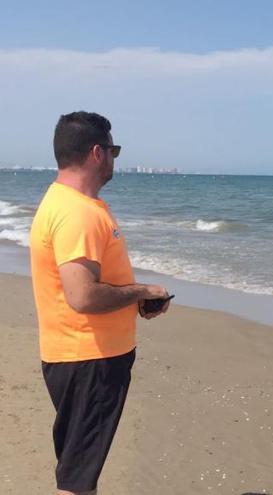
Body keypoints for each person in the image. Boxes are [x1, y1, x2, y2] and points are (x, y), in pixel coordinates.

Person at [29, 111, 172, 495]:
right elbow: (83, 296)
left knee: (79, 468)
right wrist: (141, 292)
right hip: (88, 359)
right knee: (77, 479)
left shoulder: (66, 202)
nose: (114, 159)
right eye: (114, 150)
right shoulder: (78, 213)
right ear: (97, 153)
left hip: (79, 356)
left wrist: (133, 298)